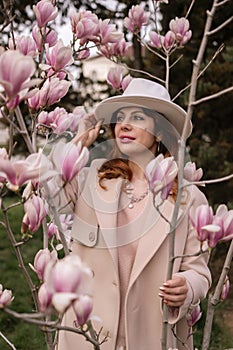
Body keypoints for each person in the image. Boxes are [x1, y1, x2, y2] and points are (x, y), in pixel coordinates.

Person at [55, 78, 211, 350]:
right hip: (87, 334)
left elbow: (200, 271)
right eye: (121, 118)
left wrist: (187, 286)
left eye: (138, 117)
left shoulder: (189, 199)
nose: (124, 125)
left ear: (160, 132)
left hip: (153, 336)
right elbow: (50, 198)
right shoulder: (90, 183)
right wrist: (77, 147)